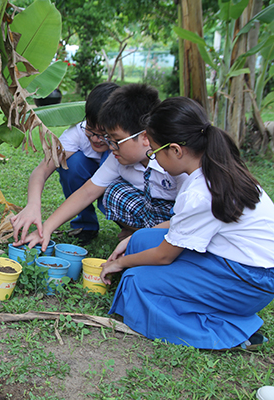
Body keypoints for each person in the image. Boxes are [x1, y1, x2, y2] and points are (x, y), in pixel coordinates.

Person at [100, 97, 274, 350]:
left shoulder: (200, 190)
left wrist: (118, 263)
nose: (155, 160)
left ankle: (232, 332)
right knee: (140, 240)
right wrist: (131, 239)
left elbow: (163, 257)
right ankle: (197, 302)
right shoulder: (217, 169)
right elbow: (178, 226)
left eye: (155, 152)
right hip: (238, 264)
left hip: (248, 280)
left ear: (176, 150)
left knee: (136, 282)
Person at [14, 83, 185, 250]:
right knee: (113, 192)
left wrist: (140, 238)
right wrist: (46, 228)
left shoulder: (176, 162)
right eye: (93, 132)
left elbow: (190, 216)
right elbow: (86, 192)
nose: (109, 145)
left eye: (113, 139)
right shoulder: (116, 155)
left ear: (145, 136)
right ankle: (133, 233)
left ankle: (146, 237)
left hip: (180, 219)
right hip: (153, 211)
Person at [10, 82, 119, 246]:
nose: (96, 139)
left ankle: (131, 230)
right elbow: (41, 171)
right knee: (72, 163)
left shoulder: (125, 145)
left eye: (104, 134)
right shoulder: (77, 133)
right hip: (91, 183)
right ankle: (85, 225)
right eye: (91, 130)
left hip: (115, 187)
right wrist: (33, 205)